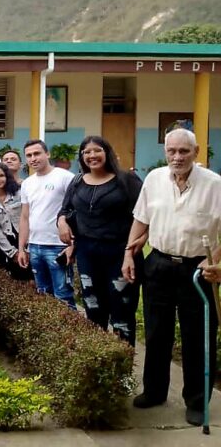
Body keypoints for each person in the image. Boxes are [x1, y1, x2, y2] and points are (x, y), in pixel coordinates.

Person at [123, 128, 221, 427]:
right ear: (165, 152)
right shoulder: (154, 179)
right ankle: (154, 391)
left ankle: (196, 401)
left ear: (196, 152)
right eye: (172, 151)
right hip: (159, 264)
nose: (177, 157)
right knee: (155, 332)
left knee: (197, 336)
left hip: (199, 269)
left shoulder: (215, 184)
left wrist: (216, 261)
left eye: (184, 151)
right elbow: (141, 218)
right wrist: (128, 253)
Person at [57, 136, 143, 345]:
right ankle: (99, 361)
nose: (92, 155)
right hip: (88, 253)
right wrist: (61, 223)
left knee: (122, 312)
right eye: (87, 152)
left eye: (97, 150)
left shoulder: (127, 180)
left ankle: (124, 369)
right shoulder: (77, 181)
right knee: (93, 308)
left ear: (107, 153)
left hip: (121, 253)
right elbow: (66, 210)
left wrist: (132, 250)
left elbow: (143, 216)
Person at [17, 140, 75, 308]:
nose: (33, 158)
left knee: (63, 296)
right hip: (35, 247)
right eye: (29, 155)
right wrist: (22, 248)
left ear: (47, 154)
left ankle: (67, 334)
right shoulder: (28, 183)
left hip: (58, 247)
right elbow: (25, 217)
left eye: (37, 153)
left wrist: (72, 244)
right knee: (43, 296)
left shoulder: (65, 177)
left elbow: (76, 211)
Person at [0, 162, 32, 281]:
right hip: (2, 243)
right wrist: (12, 252)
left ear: (7, 177)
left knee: (28, 277)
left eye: (1, 175)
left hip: (24, 239)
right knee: (8, 279)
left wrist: (27, 248)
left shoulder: (19, 194)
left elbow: (28, 218)